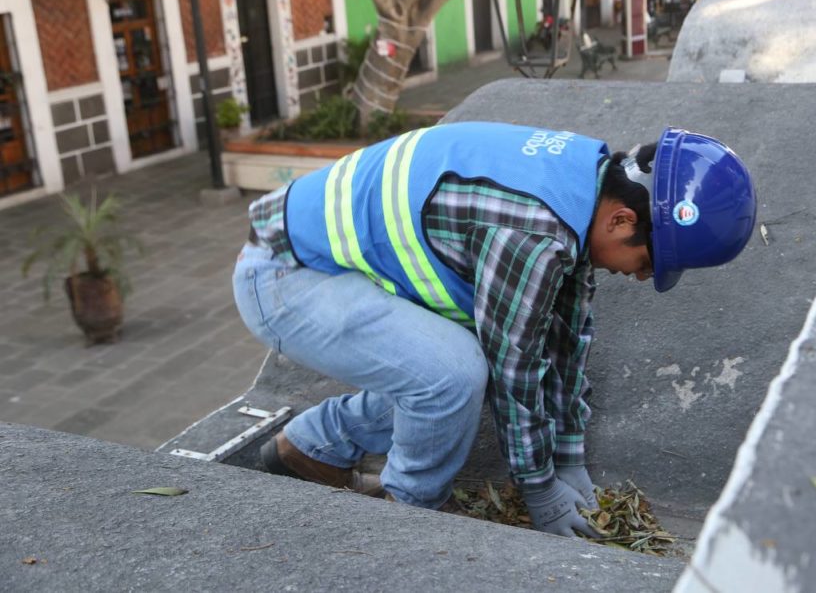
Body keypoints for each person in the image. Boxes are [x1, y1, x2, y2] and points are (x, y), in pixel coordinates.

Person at [232, 121, 756, 537]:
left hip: (316, 263)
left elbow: (567, 338)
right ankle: (403, 518)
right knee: (453, 374)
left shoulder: (583, 184)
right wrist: (539, 490)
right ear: (622, 220)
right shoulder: (534, 230)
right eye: (648, 261)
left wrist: (569, 455)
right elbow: (516, 366)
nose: (642, 276)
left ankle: (311, 448)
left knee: (455, 369)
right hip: (283, 277)